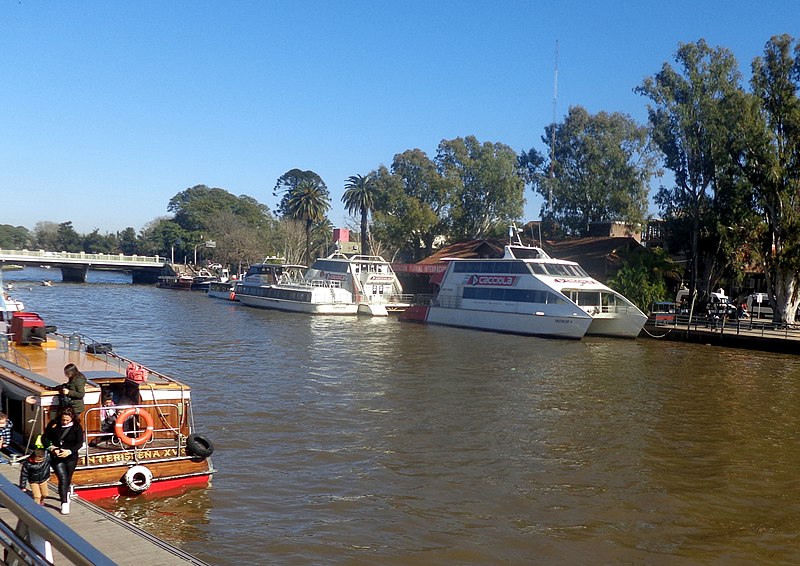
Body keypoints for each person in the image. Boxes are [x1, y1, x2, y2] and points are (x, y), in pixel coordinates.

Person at [43, 406, 83, 515]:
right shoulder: (53, 424)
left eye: (67, 420)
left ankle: (66, 493)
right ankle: (64, 502)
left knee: (68, 477)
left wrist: (69, 451)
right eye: (63, 419)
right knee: (62, 477)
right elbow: (44, 438)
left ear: (72, 418)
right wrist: (52, 448)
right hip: (56, 455)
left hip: (71, 456)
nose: (64, 422)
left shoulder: (77, 427)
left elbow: (79, 443)